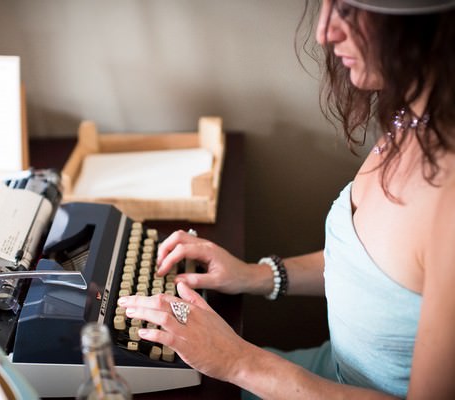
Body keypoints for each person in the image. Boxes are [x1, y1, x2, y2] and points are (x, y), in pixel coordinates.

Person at [117, 0, 455, 398]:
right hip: (329, 371)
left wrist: (239, 362)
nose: (324, 32)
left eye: (349, 10)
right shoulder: (415, 119)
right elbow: (378, 278)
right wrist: (252, 275)